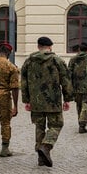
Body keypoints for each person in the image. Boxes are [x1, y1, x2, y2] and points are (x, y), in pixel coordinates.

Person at [20, 36, 73, 167]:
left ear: (38, 46)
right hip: (53, 100)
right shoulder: (57, 60)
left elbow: (24, 81)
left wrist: (26, 100)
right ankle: (46, 146)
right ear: (50, 47)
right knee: (56, 125)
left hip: (36, 101)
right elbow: (65, 80)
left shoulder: (29, 61)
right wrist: (67, 98)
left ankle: (41, 158)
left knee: (39, 127)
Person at [67, 42, 87, 133]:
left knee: (79, 106)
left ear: (79, 50)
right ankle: (82, 124)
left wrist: (69, 87)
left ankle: (80, 122)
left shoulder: (72, 59)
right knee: (85, 105)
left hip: (76, 87)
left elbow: (68, 74)